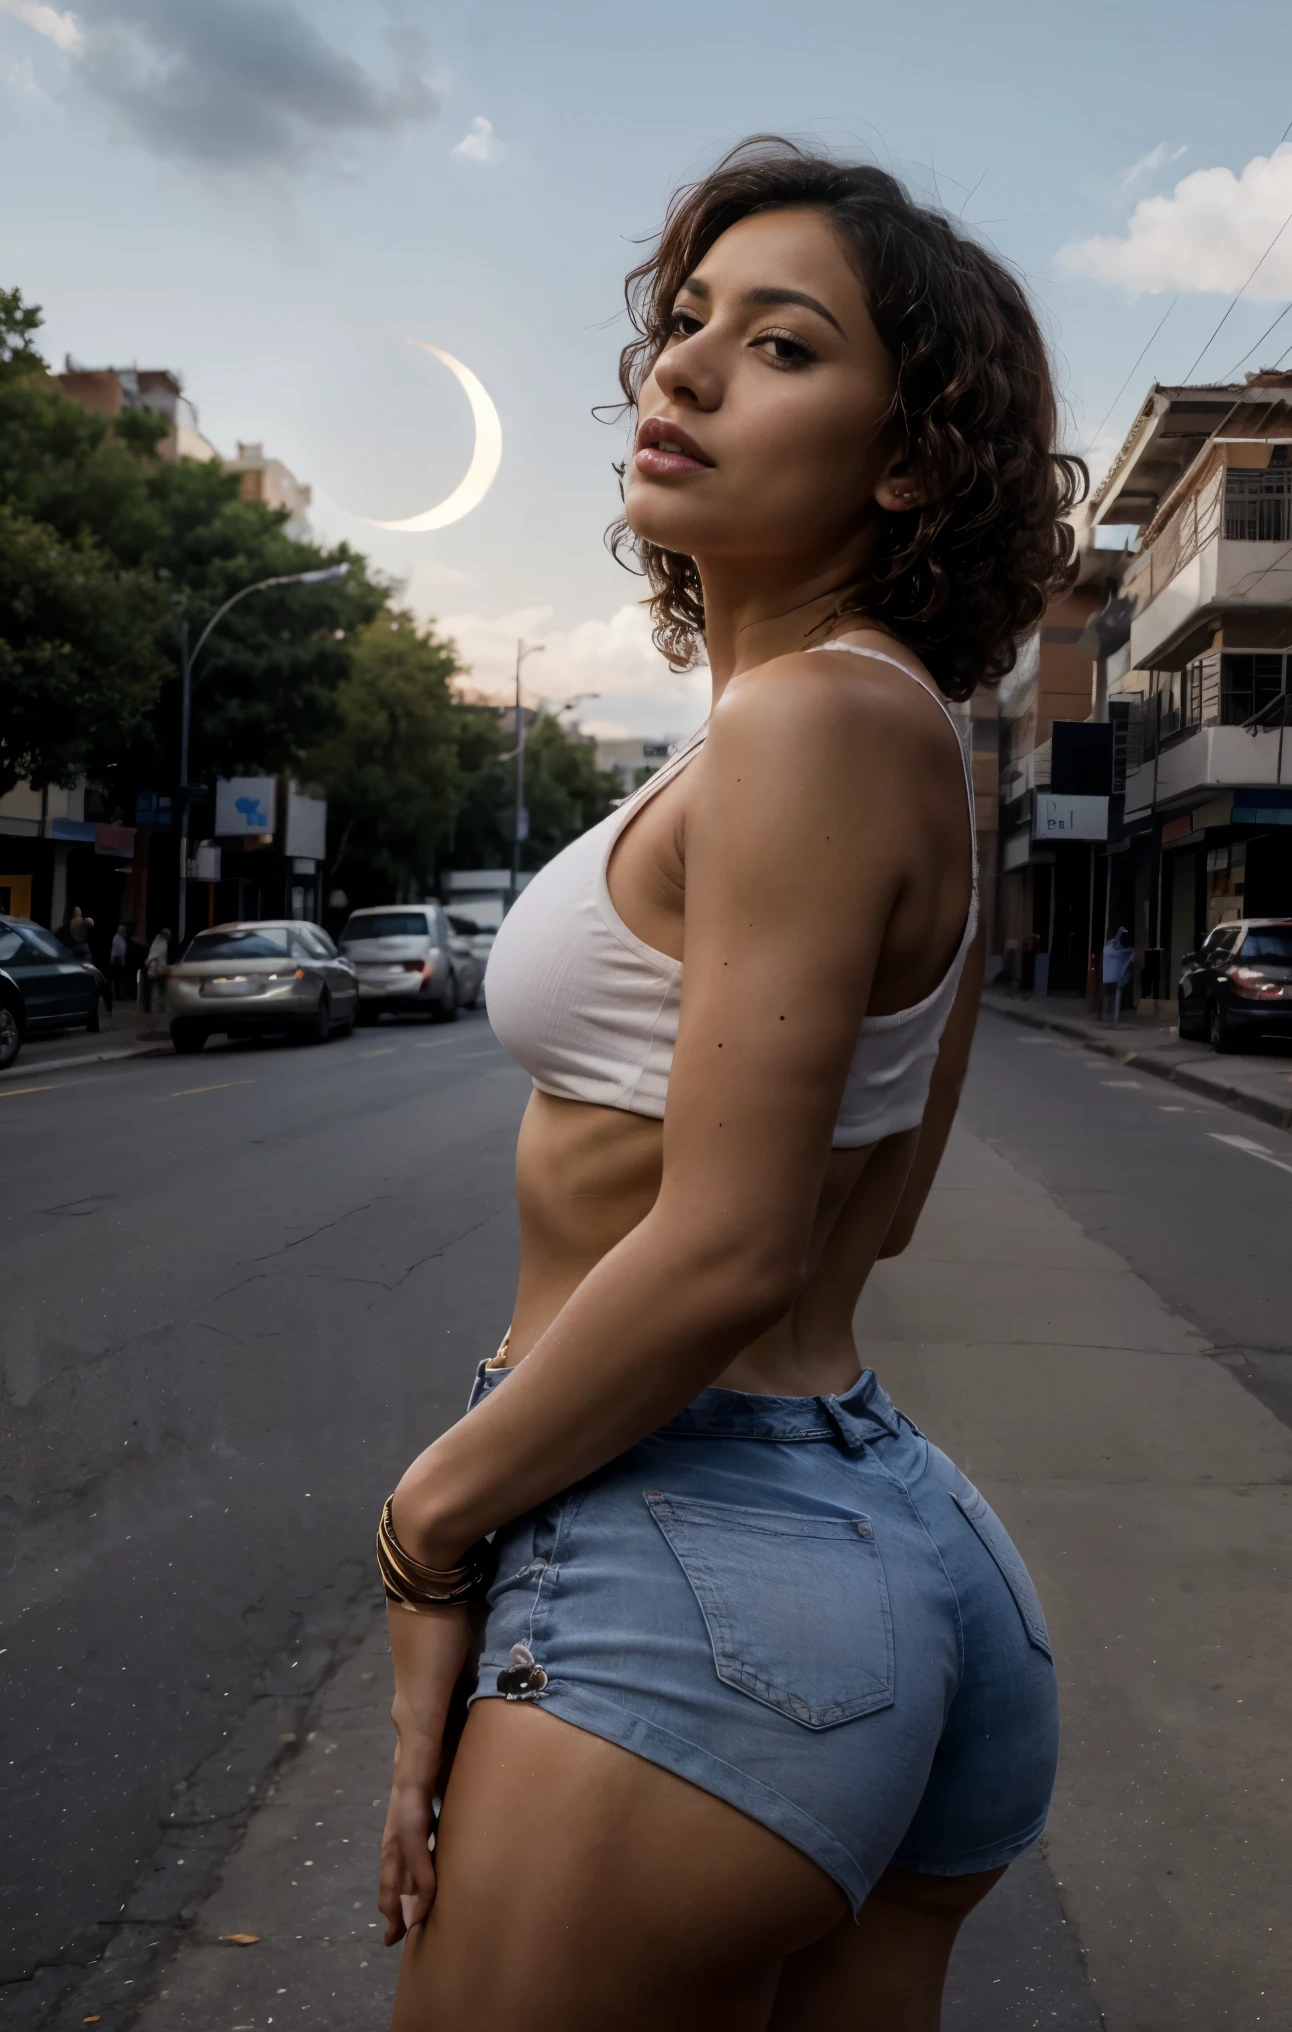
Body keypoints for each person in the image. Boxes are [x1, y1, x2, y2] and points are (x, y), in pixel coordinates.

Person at [378, 139, 1084, 2032]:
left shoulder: (801, 723)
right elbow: (885, 1202)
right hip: (895, 1549)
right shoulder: (907, 732)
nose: (677, 371)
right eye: (681, 326)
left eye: (776, 346)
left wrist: (426, 1523)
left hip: (690, 1568)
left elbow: (725, 1247)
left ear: (909, 456)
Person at [110, 922, 129, 1001]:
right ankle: (118, 997)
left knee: (117, 980)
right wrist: (123, 962)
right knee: (118, 980)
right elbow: (121, 952)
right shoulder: (118, 939)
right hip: (117, 961)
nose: (125, 932)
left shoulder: (118, 938)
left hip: (116, 960)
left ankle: (118, 996)